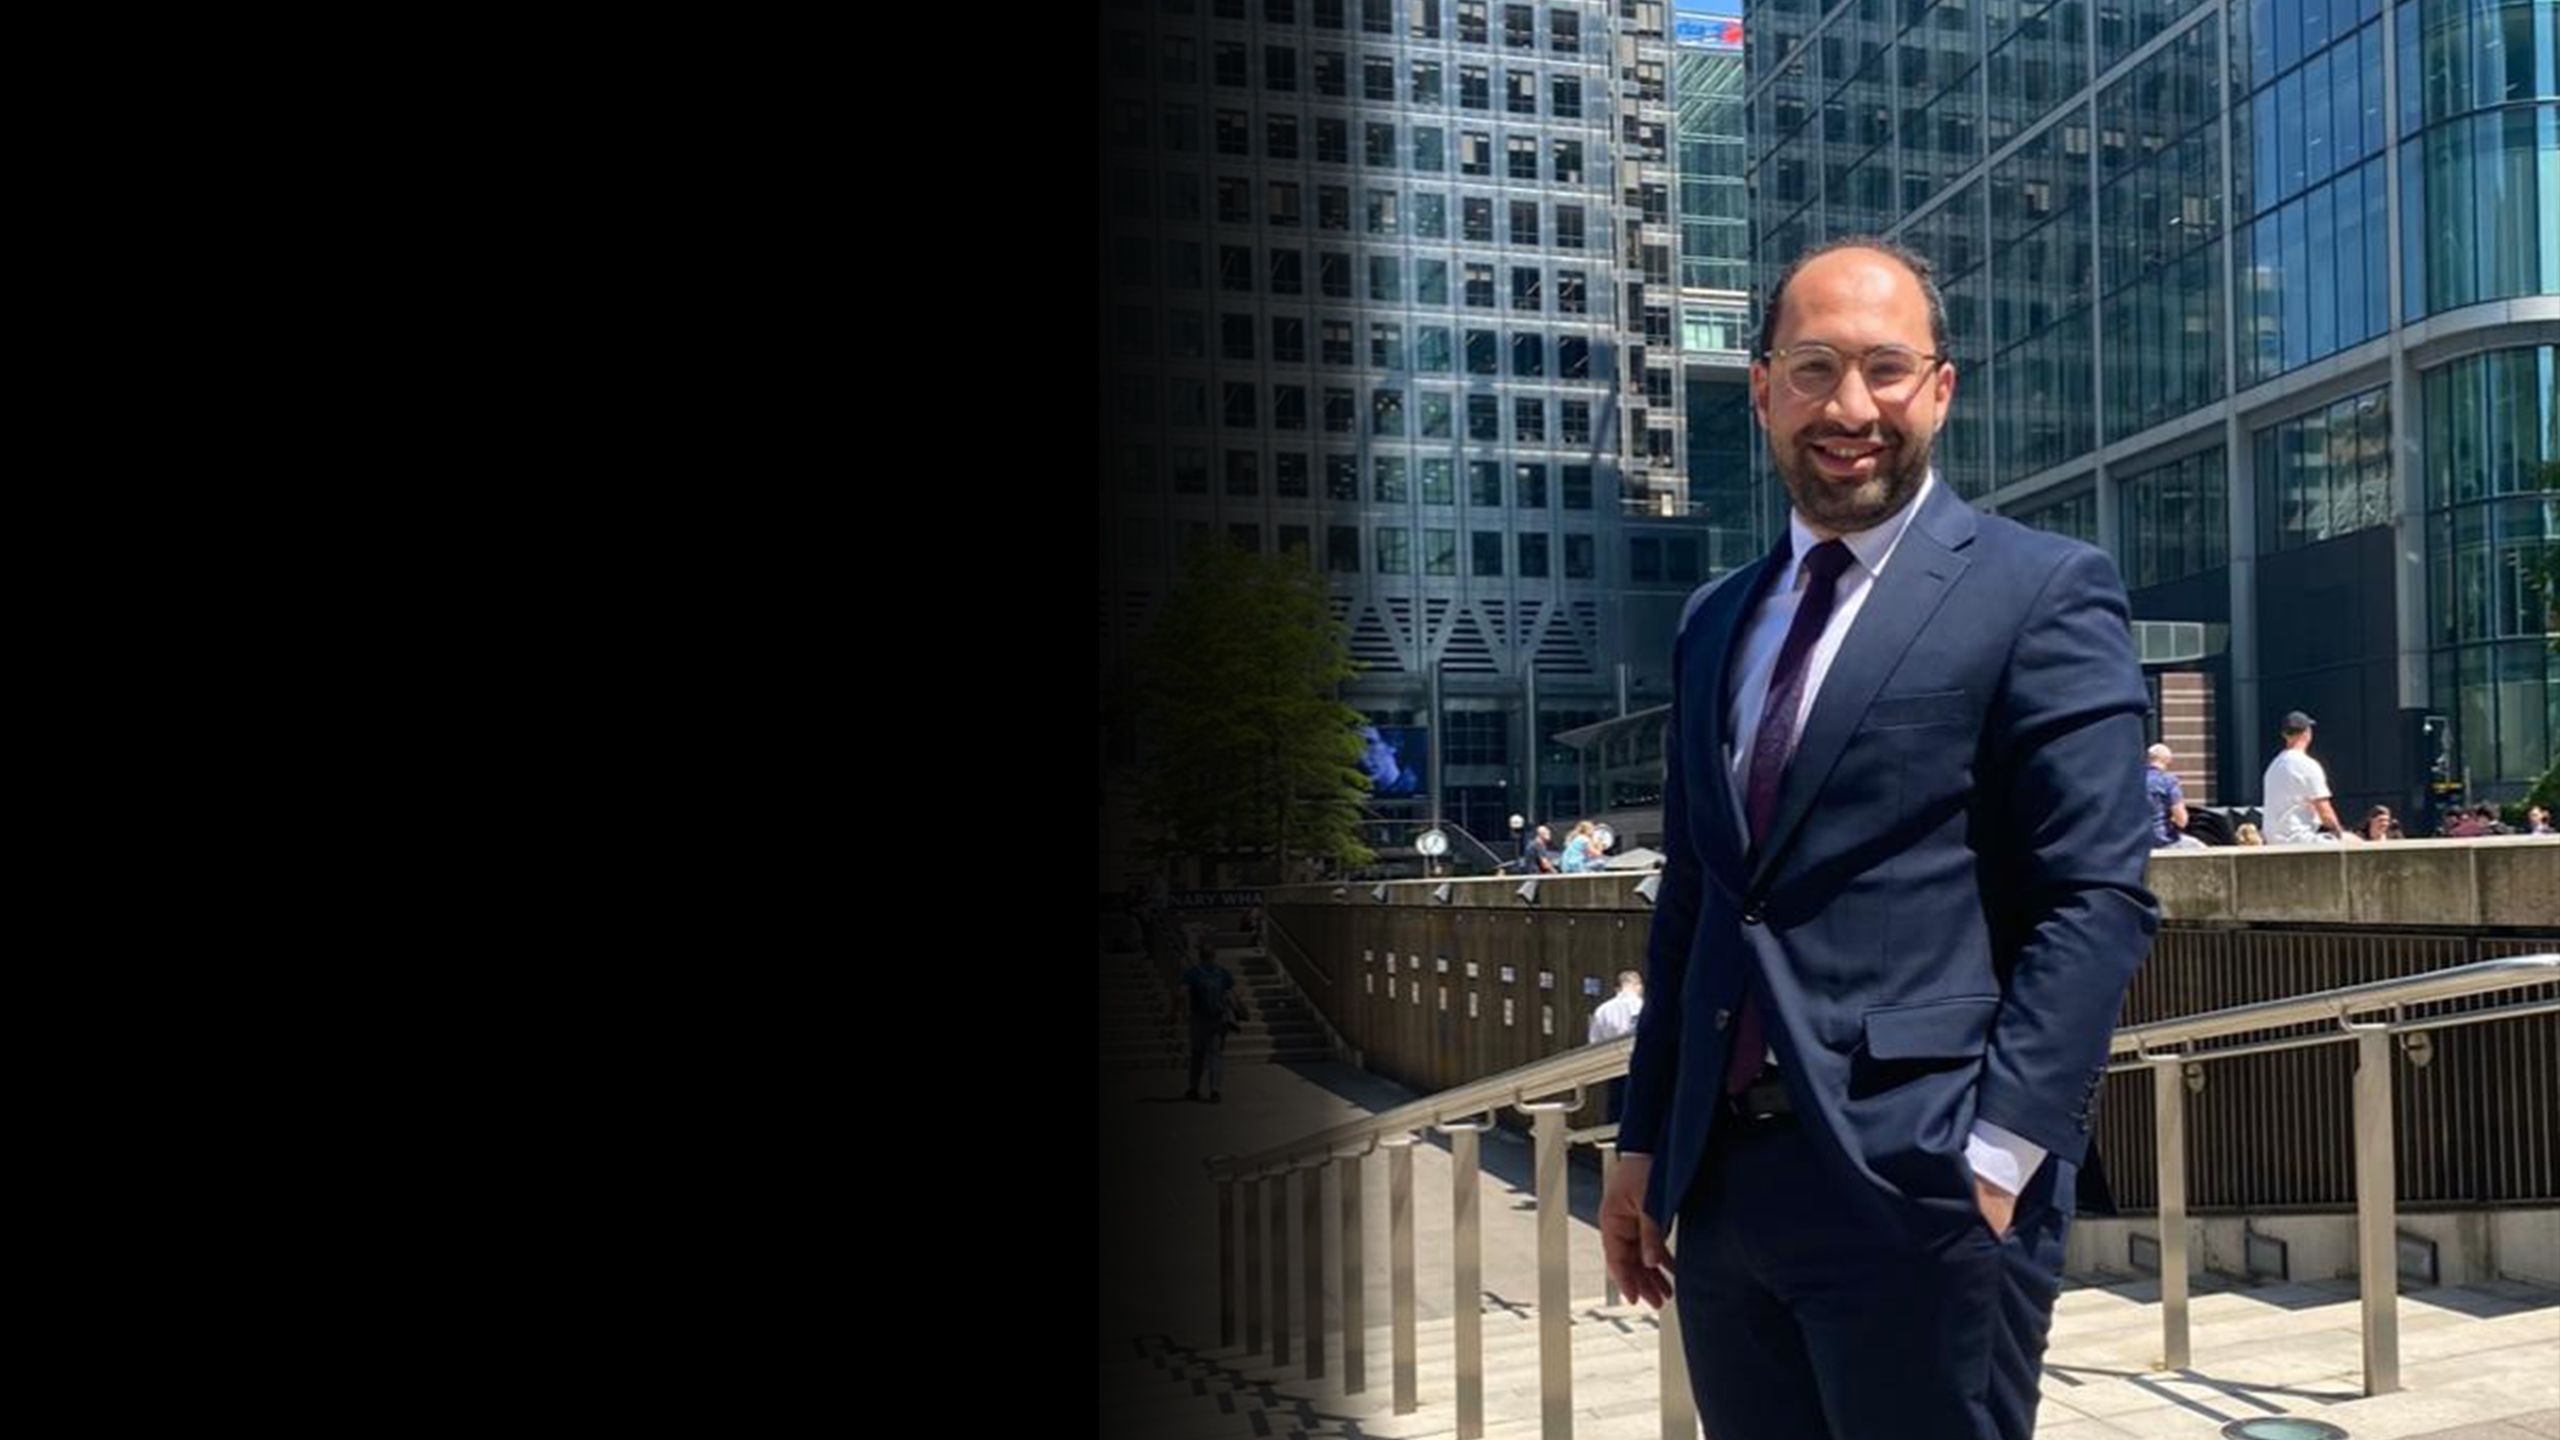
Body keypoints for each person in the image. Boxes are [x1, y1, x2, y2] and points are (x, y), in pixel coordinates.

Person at [1597, 238, 2158, 1440]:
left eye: (1886, 369)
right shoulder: (1713, 621)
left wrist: (1998, 1159)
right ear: (1760, 390)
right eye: (1813, 368)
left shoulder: (2042, 589)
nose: (1850, 407)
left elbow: (2095, 897)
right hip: (1725, 1188)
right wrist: (1643, 1140)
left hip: (1923, 1185)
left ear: (1940, 389)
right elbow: (1695, 897)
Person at [1172, 934, 1245, 1103]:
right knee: (1216, 1055)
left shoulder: (1192, 973)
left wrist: (1174, 1012)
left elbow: (1181, 994)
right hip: (1218, 1019)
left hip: (1198, 1019)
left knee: (1197, 1054)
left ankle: (1193, 1089)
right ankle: (1215, 1090)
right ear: (1214, 955)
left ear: (1200, 956)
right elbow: (1235, 993)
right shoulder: (1223, 973)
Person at [2261, 711, 2343, 843]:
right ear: (2307, 732)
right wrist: (2340, 833)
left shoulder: (2273, 767)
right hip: (2300, 839)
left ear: (2284, 734)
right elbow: (2325, 813)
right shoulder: (2307, 765)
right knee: (2357, 843)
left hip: (2273, 841)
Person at [1589, 970, 1647, 1123]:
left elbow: (1594, 1042)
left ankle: (1613, 1141)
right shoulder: (1645, 1008)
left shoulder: (1603, 1010)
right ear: (1639, 987)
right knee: (1641, 1109)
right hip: (1642, 1065)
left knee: (1616, 1108)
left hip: (1612, 1066)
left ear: (1618, 988)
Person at [2144, 743, 2208, 850]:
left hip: (2137, 841)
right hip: (2162, 839)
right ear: (2168, 760)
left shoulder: (2132, 780)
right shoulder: (2168, 781)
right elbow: (2182, 820)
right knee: (2201, 848)